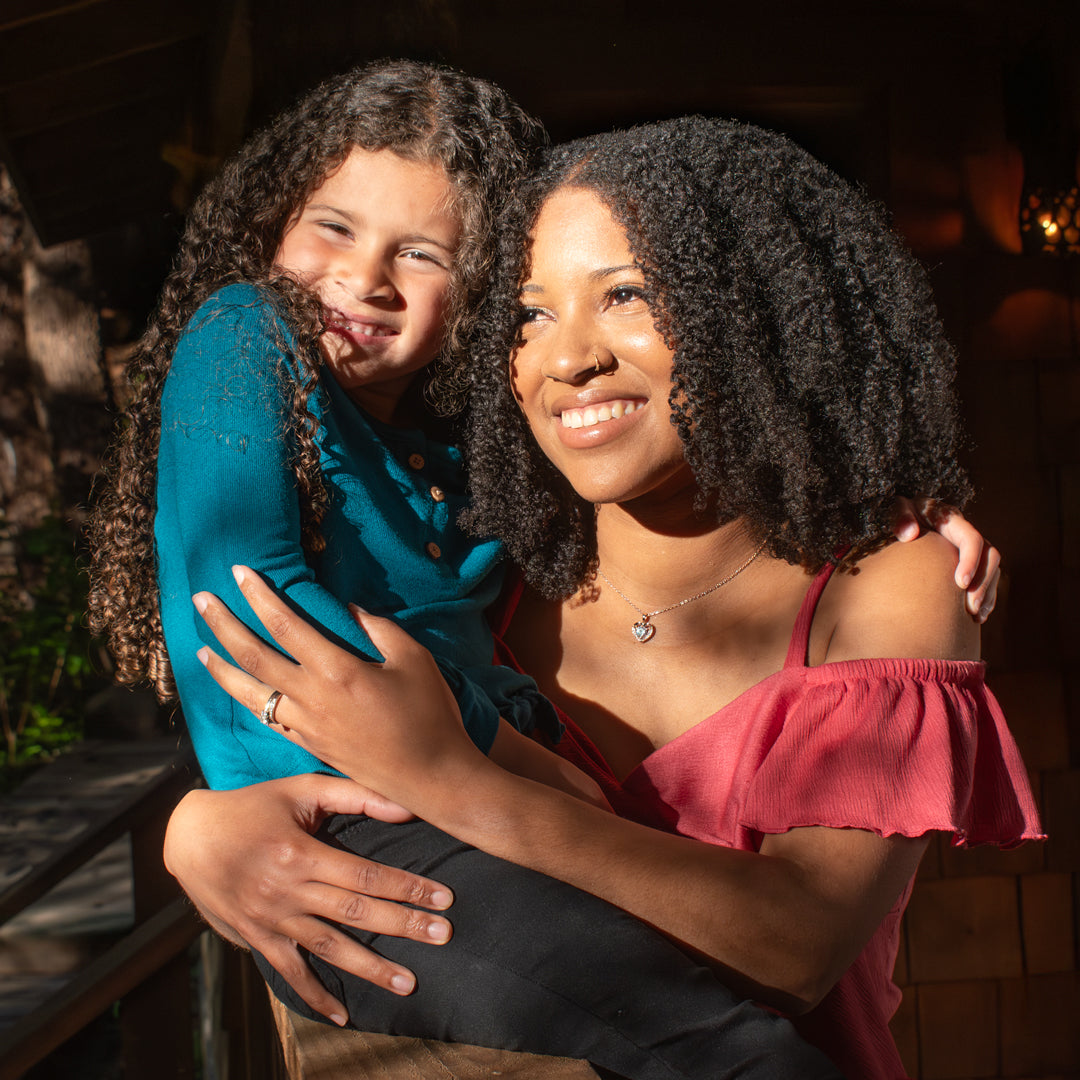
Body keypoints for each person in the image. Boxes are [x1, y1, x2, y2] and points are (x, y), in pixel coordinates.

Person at [177, 116, 1040, 1080]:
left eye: (626, 295)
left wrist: (460, 783)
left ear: (750, 312)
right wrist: (204, 828)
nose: (567, 358)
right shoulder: (496, 581)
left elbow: (799, 949)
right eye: (528, 316)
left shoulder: (886, 584)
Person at [87, 59, 610, 805]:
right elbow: (251, 599)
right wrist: (528, 766)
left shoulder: (467, 431)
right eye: (334, 227)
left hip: (476, 783)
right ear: (275, 223)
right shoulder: (245, 332)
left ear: (479, 289)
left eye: (421, 254)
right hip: (349, 801)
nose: (367, 278)